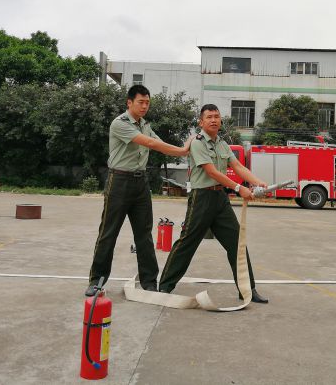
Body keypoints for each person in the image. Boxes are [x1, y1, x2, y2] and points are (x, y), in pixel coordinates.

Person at [85, 85, 192, 296]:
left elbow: (158, 141)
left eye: (147, 103)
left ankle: (149, 282)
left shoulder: (145, 124)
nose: (144, 106)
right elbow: (150, 143)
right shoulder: (120, 123)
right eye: (140, 102)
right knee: (108, 233)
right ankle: (97, 280)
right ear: (129, 103)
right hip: (119, 182)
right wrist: (182, 149)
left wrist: (186, 149)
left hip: (140, 182)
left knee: (144, 234)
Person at [158, 104, 269, 303]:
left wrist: (256, 181)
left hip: (220, 199)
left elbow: (237, 166)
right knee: (187, 243)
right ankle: (165, 287)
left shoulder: (222, 144)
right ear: (201, 122)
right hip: (201, 198)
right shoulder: (198, 143)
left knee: (237, 243)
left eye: (216, 116)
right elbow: (212, 172)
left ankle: (247, 290)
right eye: (209, 117)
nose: (213, 120)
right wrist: (239, 188)